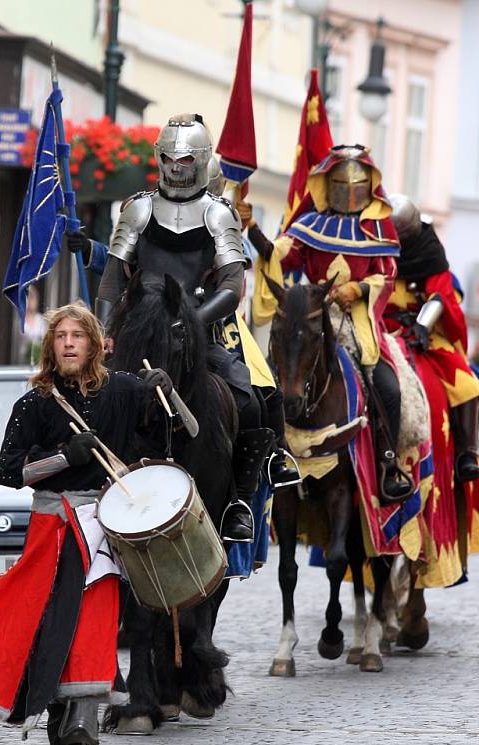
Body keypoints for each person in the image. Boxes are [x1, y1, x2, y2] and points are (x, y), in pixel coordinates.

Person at [0, 303, 171, 745]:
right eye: (60, 336)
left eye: (78, 335)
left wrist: (162, 398)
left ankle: (82, 728)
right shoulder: (35, 403)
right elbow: (9, 472)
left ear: (94, 343)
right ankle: (56, 715)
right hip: (51, 528)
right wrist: (64, 457)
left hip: (100, 527)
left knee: (93, 622)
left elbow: (161, 443)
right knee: (46, 622)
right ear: (51, 345)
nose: (69, 343)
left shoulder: (123, 391)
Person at [71, 113, 298, 544]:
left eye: (185, 161)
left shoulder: (218, 213)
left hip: (197, 326)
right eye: (169, 160)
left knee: (248, 397)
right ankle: (90, 482)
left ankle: (237, 501)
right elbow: (115, 276)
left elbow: (232, 283)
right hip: (138, 325)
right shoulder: (138, 208)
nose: (176, 168)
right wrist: (103, 329)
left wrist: (195, 319)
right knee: (96, 394)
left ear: (200, 161)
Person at [238, 144, 413, 504]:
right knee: (269, 377)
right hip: (311, 313)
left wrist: (359, 287)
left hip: (358, 321)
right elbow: (278, 256)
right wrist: (252, 227)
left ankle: (388, 462)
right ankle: (265, 462)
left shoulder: (378, 228)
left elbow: (388, 276)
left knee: (390, 387)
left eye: (357, 187)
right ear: (326, 186)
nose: (349, 194)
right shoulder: (311, 224)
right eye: (340, 187)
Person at [386, 194, 479, 481]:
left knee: (466, 383)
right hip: (382, 327)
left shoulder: (430, 254)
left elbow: (442, 297)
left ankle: (467, 452)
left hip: (423, 330)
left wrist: (423, 327)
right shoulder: (379, 250)